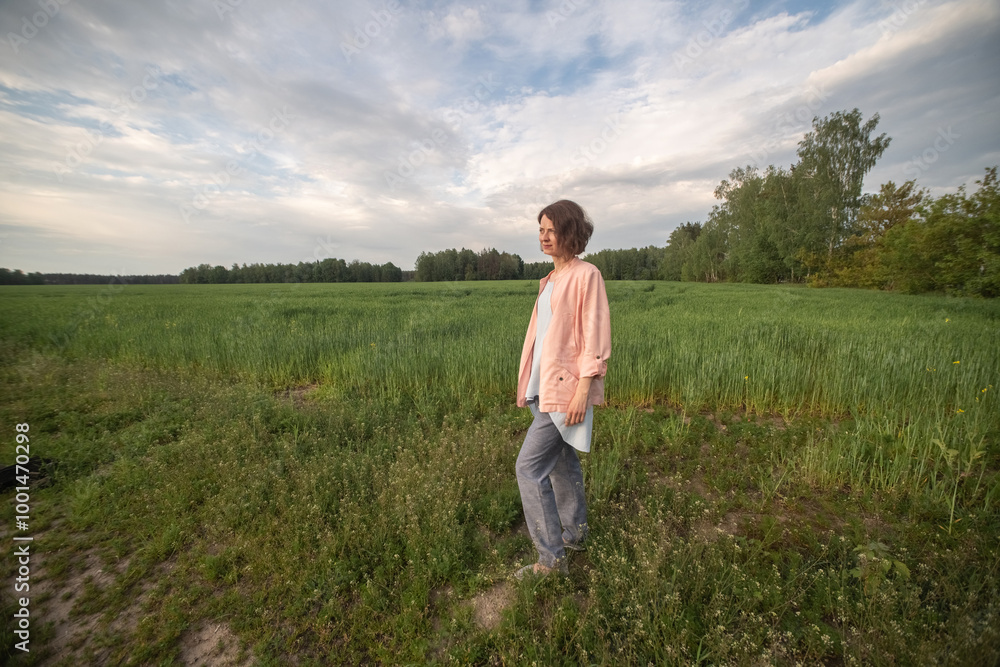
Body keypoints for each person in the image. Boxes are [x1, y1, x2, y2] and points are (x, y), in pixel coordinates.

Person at [513, 200, 611, 580]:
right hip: (544, 390)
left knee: (528, 467)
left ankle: (550, 561)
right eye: (540, 230)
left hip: (567, 392)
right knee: (560, 464)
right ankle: (576, 534)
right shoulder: (551, 279)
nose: (544, 237)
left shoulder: (587, 275)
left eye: (551, 230)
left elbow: (594, 335)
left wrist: (584, 389)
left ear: (570, 232)